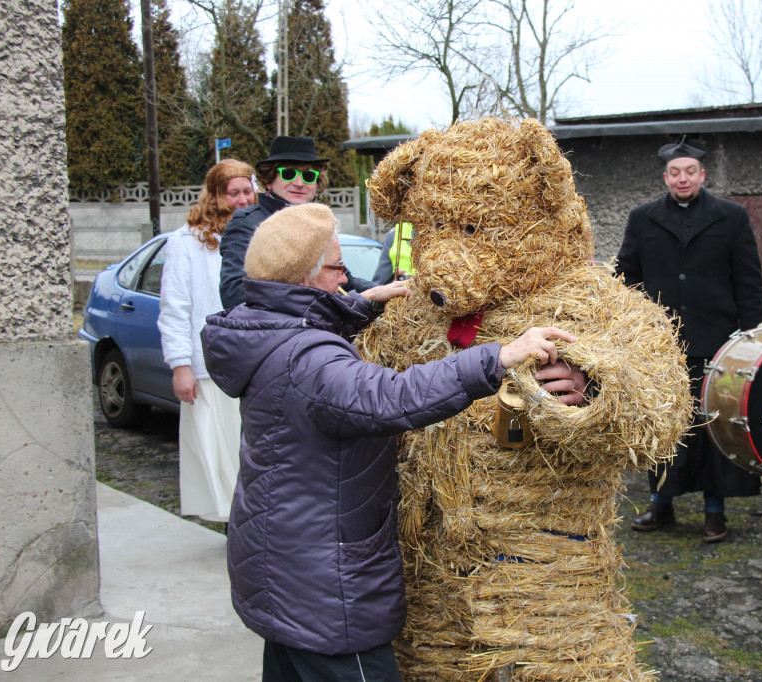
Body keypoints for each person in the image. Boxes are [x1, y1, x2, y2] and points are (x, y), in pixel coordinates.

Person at [200, 202, 577, 681]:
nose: (347, 276)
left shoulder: (263, 331)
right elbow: (391, 397)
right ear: (304, 277)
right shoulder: (308, 360)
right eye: (338, 267)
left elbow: (305, 335)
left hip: (278, 566)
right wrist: (498, 356)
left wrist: (358, 304)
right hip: (325, 591)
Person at [615, 137, 762, 542]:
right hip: (662, 344)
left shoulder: (731, 217)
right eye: (675, 173)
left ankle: (714, 511)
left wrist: (754, 340)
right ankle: (660, 505)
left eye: (690, 172)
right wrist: (631, 327)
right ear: (666, 177)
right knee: (664, 426)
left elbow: (748, 281)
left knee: (712, 427)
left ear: (703, 175)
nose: (683, 179)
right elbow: (626, 277)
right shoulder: (642, 218)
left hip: (718, 342)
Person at [158, 158, 255, 524]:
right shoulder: (188, 242)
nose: (243, 200)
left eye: (248, 191)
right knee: (223, 449)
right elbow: (175, 307)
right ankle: (235, 523)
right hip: (209, 362)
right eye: (234, 193)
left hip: (252, 359)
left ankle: (251, 521)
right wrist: (180, 366)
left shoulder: (261, 231)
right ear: (216, 195)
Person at [219, 135, 374, 309]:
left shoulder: (319, 225)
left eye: (308, 176)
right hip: (271, 332)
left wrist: (391, 292)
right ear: (269, 180)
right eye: (288, 173)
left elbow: (345, 281)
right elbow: (234, 294)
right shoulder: (247, 223)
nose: (299, 183)